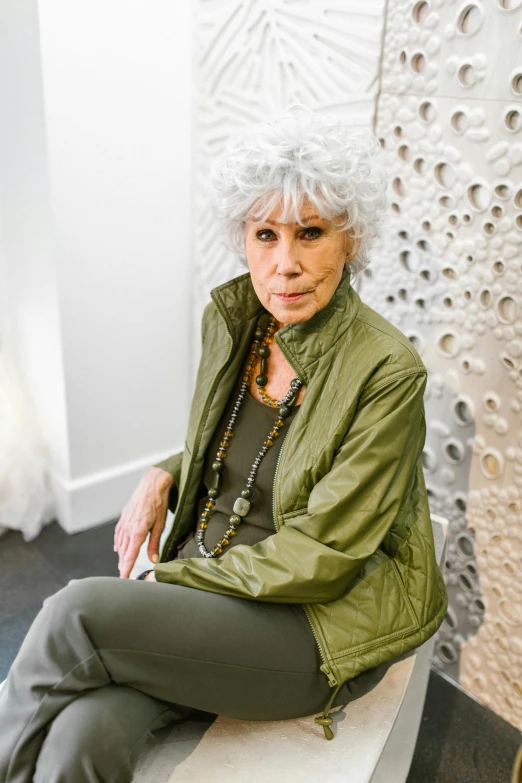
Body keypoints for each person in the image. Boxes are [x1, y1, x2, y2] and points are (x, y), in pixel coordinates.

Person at [0, 107, 448, 782]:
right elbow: (251, 448)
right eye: (265, 233)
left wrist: (170, 577)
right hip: (218, 592)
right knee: (78, 741)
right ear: (241, 237)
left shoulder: (386, 370)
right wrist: (164, 470)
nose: (285, 263)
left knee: (75, 612)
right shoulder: (235, 320)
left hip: (311, 625)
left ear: (351, 239)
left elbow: (324, 554)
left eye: (311, 233)